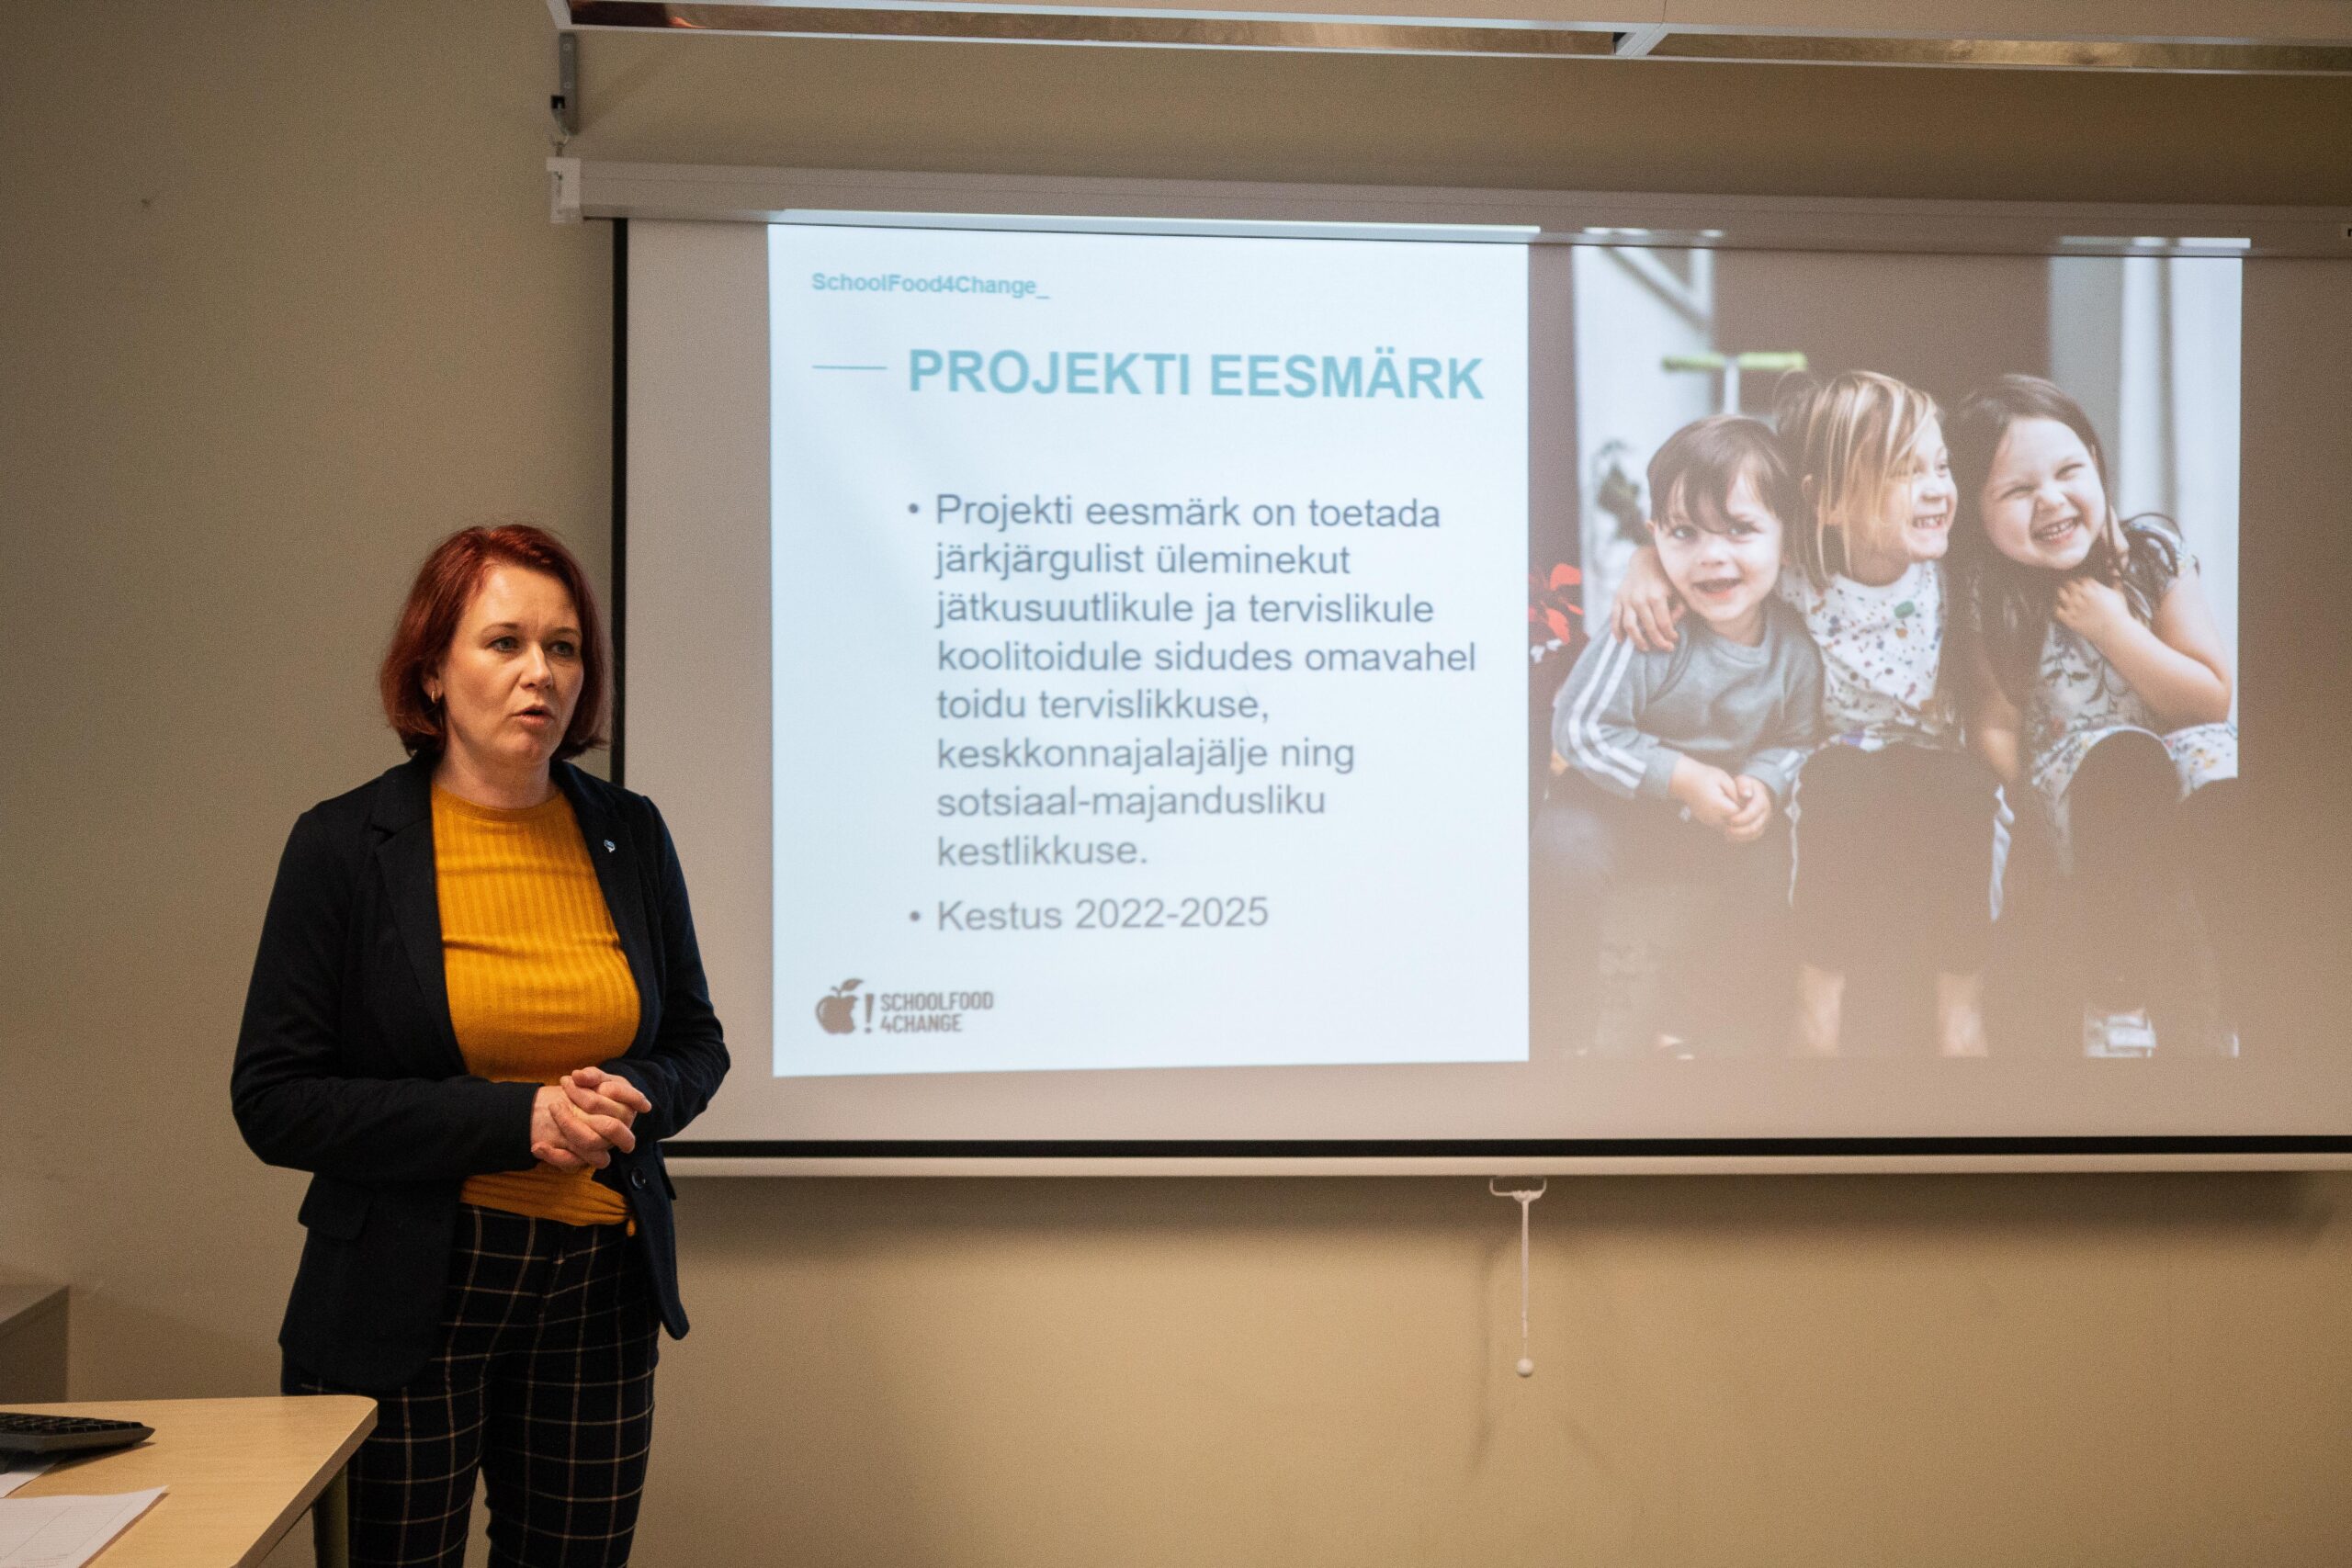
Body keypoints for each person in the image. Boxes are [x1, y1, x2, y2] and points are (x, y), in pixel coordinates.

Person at [232, 524, 729, 1567]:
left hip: (600, 1282)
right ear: (432, 671)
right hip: (405, 1285)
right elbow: (276, 1098)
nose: (540, 672)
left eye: (564, 647)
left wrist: (630, 1093)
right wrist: (520, 1117)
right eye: (505, 642)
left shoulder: (631, 832)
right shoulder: (343, 844)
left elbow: (695, 1041)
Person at [1612, 371, 2003, 1057]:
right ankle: (1816, 1004)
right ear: (1827, 501)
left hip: (1936, 776)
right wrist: (1646, 563)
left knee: (1964, 788)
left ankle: (1960, 1014)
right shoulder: (1797, 574)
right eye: (1904, 471)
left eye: (1940, 466)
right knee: (1842, 782)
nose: (1937, 488)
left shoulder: (1954, 569)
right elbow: (1716, 556)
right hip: (1828, 776)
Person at [1947, 374, 2239, 1055]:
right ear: (1976, 511)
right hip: (2076, 792)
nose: (2051, 499)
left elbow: (2210, 699)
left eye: (2068, 471)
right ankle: (2117, 1008)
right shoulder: (1988, 590)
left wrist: (2115, 629)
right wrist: (2022, 822)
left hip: (2179, 775)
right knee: (2125, 760)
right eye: (2018, 490)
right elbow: (1994, 725)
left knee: (2224, 769)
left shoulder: (2152, 555)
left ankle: (2240, 1000)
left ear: (2097, 464)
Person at [1541, 416, 1823, 1052]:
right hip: (1613, 808)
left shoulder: (1794, 648)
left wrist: (1766, 784)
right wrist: (1681, 776)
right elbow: (1579, 727)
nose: (1711, 555)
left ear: (1788, 538)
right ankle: (1559, 1036)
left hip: (1717, 824)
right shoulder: (1647, 626)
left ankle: (1689, 1027)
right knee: (1562, 847)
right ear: (1656, 538)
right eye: (1684, 533)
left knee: (1778, 861)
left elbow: (1801, 739)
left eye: (1740, 529)